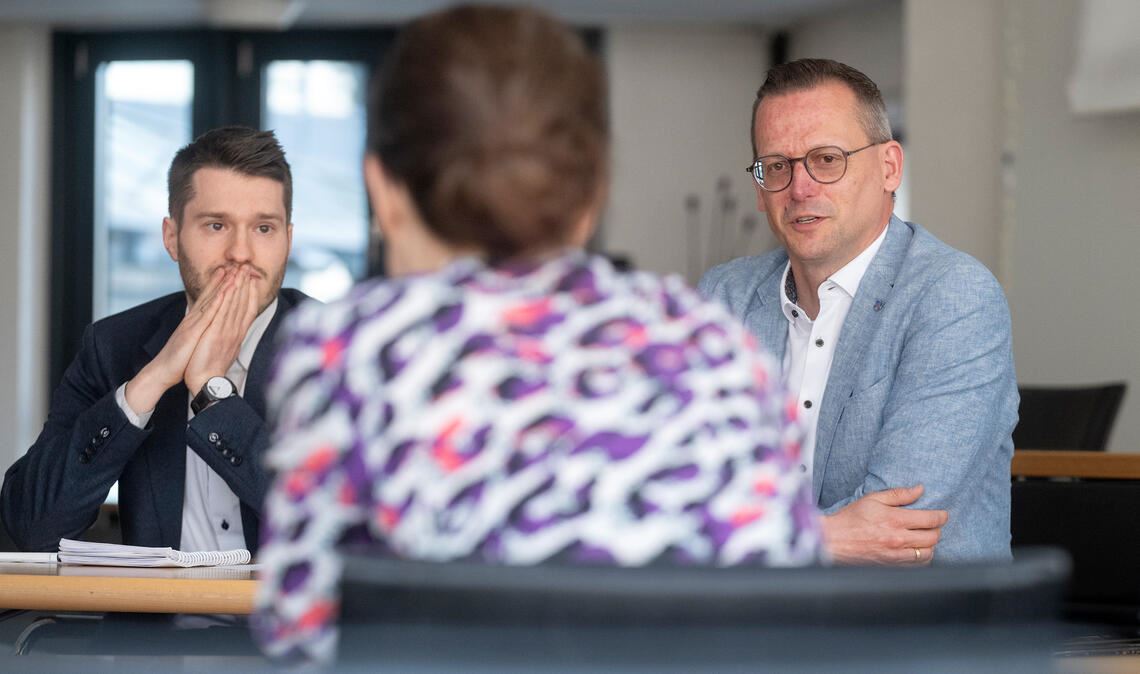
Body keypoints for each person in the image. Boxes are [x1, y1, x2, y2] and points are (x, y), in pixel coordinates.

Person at [254, 5, 823, 663]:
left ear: (381, 188)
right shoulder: (721, 351)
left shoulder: (342, 355)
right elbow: (793, 631)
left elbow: (302, 640)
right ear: (593, 193)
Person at [700, 58, 1017, 564]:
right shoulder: (725, 298)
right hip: (751, 629)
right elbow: (676, 491)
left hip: (919, 633)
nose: (800, 188)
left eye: (827, 159)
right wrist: (827, 539)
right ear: (760, 189)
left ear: (889, 167)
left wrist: (735, 539)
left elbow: (898, 527)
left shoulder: (954, 297)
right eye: (778, 166)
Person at [1, 126, 308, 554]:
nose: (241, 252)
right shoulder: (111, 346)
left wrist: (211, 392)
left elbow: (327, 522)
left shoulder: (333, 349)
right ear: (171, 238)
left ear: (288, 241)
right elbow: (27, 528)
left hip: (285, 621)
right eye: (216, 225)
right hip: (152, 621)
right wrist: (148, 385)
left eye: (263, 229)